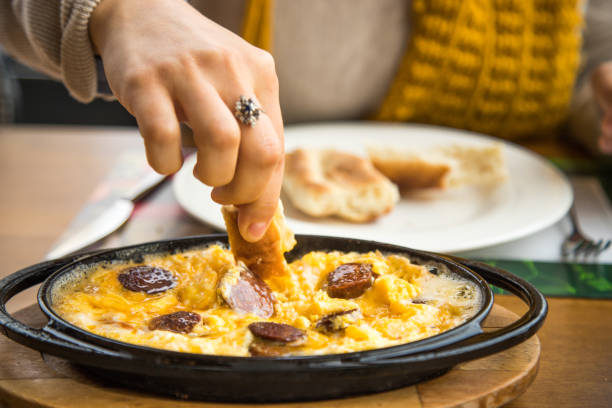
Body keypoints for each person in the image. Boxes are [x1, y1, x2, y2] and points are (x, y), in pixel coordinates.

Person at [1, 0, 611, 242]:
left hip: (531, 238)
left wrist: (602, 103)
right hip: (211, 214)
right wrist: (114, 9)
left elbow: (592, 64)